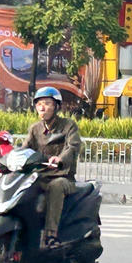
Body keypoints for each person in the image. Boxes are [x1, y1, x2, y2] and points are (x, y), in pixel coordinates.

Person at [25, 86, 82, 249]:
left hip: (63, 178)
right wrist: (3, 160)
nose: (42, 107)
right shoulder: (35, 129)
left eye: (48, 103)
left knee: (55, 186)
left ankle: (51, 235)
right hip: (40, 176)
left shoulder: (68, 125)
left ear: (57, 106)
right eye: (39, 104)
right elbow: (25, 149)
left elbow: (73, 146)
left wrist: (60, 159)